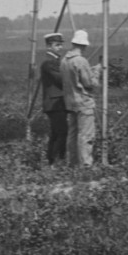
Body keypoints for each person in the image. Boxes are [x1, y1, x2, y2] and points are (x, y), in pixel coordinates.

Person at [61, 30, 102, 170]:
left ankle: (72, 163)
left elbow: (74, 79)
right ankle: (86, 165)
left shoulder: (64, 61)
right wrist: (96, 73)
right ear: (83, 45)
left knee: (72, 134)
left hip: (70, 103)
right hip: (84, 103)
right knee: (86, 135)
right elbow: (89, 83)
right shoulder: (81, 60)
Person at [39, 32, 67, 166]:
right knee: (62, 133)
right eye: (57, 45)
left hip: (57, 103)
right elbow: (61, 80)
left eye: (61, 45)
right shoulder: (49, 63)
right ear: (49, 46)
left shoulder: (55, 61)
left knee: (57, 133)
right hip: (54, 104)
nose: (60, 48)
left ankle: (52, 160)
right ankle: (57, 160)